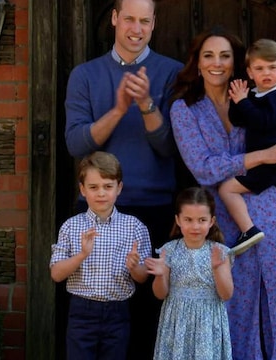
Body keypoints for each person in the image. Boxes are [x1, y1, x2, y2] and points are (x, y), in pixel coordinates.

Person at [169, 27, 276, 359]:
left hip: (270, 211)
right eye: (208, 56)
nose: (216, 63)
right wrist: (264, 156)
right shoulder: (184, 109)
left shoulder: (260, 99)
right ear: (198, 62)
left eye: (225, 56)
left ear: (237, 65)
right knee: (235, 305)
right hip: (222, 220)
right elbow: (203, 168)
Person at [63, 0, 183, 357]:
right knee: (96, 317)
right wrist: (117, 109)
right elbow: (75, 143)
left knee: (149, 316)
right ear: (114, 19)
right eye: (129, 18)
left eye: (144, 21)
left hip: (155, 209)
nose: (136, 28)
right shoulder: (85, 75)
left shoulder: (172, 73)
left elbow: (170, 147)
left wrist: (146, 104)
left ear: (154, 24)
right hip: (97, 211)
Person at [49, 151, 153, 359]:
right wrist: (81, 255)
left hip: (118, 312)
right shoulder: (71, 226)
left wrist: (134, 267)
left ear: (119, 188)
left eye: (108, 187)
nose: (101, 194)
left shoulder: (134, 227)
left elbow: (143, 277)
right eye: (93, 187)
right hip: (81, 312)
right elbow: (56, 274)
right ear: (82, 190)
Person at [219, 38, 276, 255]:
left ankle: (248, 231)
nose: (266, 73)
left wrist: (244, 102)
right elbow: (239, 119)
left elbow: (263, 121)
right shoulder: (258, 95)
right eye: (259, 68)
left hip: (268, 166)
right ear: (250, 73)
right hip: (259, 164)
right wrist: (237, 100)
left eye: (272, 67)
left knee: (226, 189)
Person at [145, 187, 233, 360]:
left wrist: (217, 269)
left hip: (208, 323)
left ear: (211, 221)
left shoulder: (220, 252)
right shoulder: (169, 250)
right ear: (178, 220)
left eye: (202, 220)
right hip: (176, 322)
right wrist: (161, 275)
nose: (195, 226)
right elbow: (160, 294)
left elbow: (226, 294)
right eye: (188, 219)